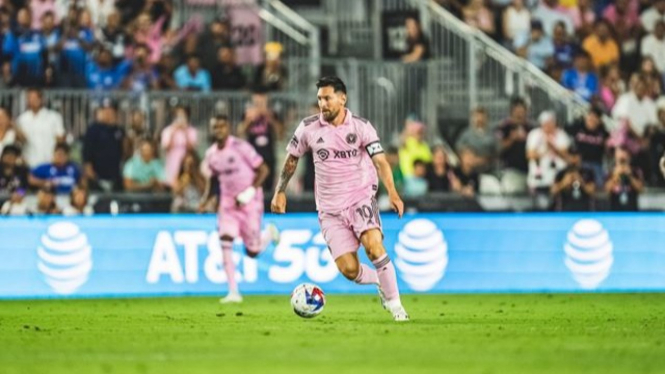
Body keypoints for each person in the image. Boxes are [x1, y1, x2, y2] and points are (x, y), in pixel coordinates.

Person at [272, 76, 409, 322]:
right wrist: (280, 190)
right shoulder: (308, 128)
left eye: (327, 98)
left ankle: (396, 307)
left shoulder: (361, 127)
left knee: (374, 246)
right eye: (319, 99)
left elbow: (380, 161)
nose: (322, 104)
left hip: (361, 198)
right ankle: (381, 279)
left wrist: (393, 192)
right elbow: (292, 160)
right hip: (329, 210)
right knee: (349, 269)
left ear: (342, 98)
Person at [199, 115, 279, 304]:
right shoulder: (211, 154)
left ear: (228, 128)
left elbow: (264, 170)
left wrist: (250, 191)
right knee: (225, 239)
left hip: (250, 202)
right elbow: (212, 179)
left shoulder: (240, 147)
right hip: (227, 204)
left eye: (221, 126)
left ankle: (269, 233)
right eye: (215, 127)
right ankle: (233, 291)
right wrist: (205, 200)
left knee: (252, 251)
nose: (218, 130)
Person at [237, 91, 283, 191]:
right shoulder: (247, 114)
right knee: (252, 184)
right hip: (252, 157)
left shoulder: (272, 114)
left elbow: (280, 134)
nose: (260, 106)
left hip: (268, 156)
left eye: (262, 103)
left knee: (269, 187)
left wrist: (270, 118)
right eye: (257, 103)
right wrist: (249, 120)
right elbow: (239, 132)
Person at [83, 100, 129, 192]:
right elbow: (87, 153)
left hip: (115, 177)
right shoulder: (93, 129)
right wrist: (90, 172)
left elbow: (125, 152)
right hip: (97, 176)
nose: (108, 113)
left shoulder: (119, 130)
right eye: (105, 110)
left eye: (111, 111)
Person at [16, 88, 65, 167]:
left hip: (49, 162)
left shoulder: (54, 117)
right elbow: (20, 141)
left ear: (42, 99)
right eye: (30, 98)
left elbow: (60, 139)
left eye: (35, 98)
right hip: (29, 163)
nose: (33, 100)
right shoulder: (22, 119)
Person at [526, 110, 571, 192]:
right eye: (545, 123)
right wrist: (546, 150)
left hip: (558, 178)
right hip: (538, 178)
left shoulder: (562, 135)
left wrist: (553, 148)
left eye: (551, 122)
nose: (548, 126)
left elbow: (566, 155)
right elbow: (530, 155)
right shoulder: (534, 134)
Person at [566, 108, 609, 186]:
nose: (591, 119)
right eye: (590, 116)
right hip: (580, 163)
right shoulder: (579, 127)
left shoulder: (602, 132)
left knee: (599, 185)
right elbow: (566, 128)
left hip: (596, 163)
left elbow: (608, 147)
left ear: (599, 120)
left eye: (595, 117)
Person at [161, 105, 198, 187]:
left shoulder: (192, 131)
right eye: (178, 116)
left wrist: (185, 132)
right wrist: (174, 131)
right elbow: (166, 147)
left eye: (183, 115)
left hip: (186, 162)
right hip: (172, 161)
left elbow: (192, 148)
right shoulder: (167, 130)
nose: (180, 118)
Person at [550, 146, 596, 211]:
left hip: (584, 211)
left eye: (576, 155)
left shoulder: (588, 172)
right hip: (566, 211)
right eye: (572, 156)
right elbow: (553, 191)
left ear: (580, 157)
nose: (574, 158)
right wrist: (564, 183)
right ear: (568, 157)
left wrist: (581, 181)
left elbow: (592, 191)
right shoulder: (562, 173)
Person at [456, 107, 497, 171]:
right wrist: (469, 158)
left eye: (482, 117)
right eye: (477, 117)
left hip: (488, 170)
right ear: (473, 119)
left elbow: (497, 153)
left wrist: (483, 160)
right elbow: (458, 149)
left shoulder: (493, 135)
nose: (480, 120)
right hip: (470, 171)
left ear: (487, 119)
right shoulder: (465, 134)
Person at [605, 146, 644, 211]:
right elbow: (606, 190)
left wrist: (630, 175)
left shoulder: (635, 171)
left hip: (632, 210)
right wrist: (615, 176)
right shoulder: (611, 171)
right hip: (615, 210)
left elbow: (640, 189)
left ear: (629, 157)